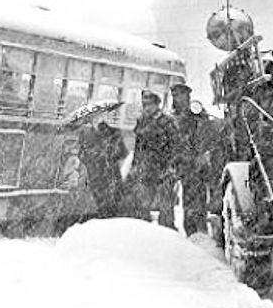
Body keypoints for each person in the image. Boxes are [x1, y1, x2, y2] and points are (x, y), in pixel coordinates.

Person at [129, 89, 179, 229]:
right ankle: (144, 229)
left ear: (157, 105)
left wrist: (171, 166)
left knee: (166, 205)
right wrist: (135, 165)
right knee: (143, 203)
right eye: (144, 104)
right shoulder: (142, 120)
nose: (147, 107)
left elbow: (175, 145)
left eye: (150, 104)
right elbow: (138, 146)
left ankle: (167, 231)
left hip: (164, 168)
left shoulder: (166, 121)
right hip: (146, 168)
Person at [170, 83, 211, 235]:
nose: (176, 98)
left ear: (187, 96)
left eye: (179, 95)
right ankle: (191, 230)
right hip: (182, 163)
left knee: (197, 199)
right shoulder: (173, 116)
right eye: (174, 95)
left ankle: (199, 230)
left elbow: (205, 134)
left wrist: (201, 155)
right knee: (186, 200)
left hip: (195, 163)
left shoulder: (195, 112)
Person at [75, 119, 129, 218]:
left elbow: (122, 153)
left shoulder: (114, 133)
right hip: (95, 177)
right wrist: (91, 156)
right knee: (101, 206)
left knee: (113, 207)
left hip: (110, 177)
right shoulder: (85, 133)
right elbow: (81, 154)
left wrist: (106, 154)